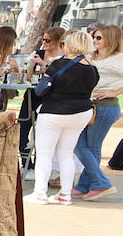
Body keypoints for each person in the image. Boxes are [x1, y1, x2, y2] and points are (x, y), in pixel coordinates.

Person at [72, 24, 123, 200]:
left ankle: (98, 184)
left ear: (110, 40)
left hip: (105, 107)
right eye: (94, 37)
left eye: (99, 38)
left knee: (91, 147)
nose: (95, 41)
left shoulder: (119, 58)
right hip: (88, 105)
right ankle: (89, 184)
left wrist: (116, 91)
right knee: (80, 145)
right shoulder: (90, 56)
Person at [27, 30, 99, 206]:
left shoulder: (58, 64)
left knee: (44, 152)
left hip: (54, 110)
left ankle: (40, 193)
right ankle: (65, 194)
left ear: (70, 44)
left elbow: (42, 89)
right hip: (81, 112)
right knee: (66, 153)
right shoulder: (92, 68)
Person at [20, 26, 66, 171]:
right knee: (22, 129)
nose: (44, 43)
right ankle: (27, 165)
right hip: (31, 96)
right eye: (43, 39)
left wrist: (43, 64)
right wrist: (32, 64)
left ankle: (40, 168)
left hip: (49, 98)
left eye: (48, 40)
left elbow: (59, 76)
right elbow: (28, 77)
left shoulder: (64, 58)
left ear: (58, 41)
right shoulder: (38, 53)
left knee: (43, 136)